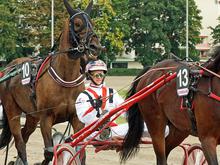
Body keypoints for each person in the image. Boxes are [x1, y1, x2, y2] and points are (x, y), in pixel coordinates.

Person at [75, 60, 169, 141]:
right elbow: (82, 117)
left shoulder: (111, 92)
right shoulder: (83, 96)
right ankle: (104, 131)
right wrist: (94, 108)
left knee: (152, 128)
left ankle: (107, 132)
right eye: (96, 74)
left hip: (114, 129)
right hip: (92, 131)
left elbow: (124, 110)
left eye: (101, 74)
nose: (99, 77)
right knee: (105, 131)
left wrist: (139, 112)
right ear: (89, 76)